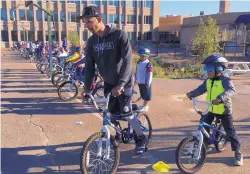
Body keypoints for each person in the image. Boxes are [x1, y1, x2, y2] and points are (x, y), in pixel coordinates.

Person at [79, 5, 148, 155]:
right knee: (110, 113)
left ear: (98, 19)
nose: (86, 25)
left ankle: (141, 137)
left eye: (89, 21)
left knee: (126, 112)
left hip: (125, 81)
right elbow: (90, 67)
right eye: (84, 22)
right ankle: (116, 134)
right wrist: (86, 89)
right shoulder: (91, 42)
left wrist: (122, 84)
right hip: (109, 82)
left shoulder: (118, 34)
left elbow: (128, 60)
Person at [186, 54, 243, 166]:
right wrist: (191, 94)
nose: (207, 71)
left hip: (224, 110)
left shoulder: (225, 80)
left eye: (210, 69)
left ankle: (238, 152)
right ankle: (205, 144)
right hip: (211, 108)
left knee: (230, 132)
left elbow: (231, 90)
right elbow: (200, 89)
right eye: (206, 69)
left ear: (219, 69)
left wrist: (220, 98)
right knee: (205, 125)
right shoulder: (208, 81)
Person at [135, 47, 153, 112]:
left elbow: (149, 74)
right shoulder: (138, 63)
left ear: (147, 57)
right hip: (140, 81)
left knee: (147, 94)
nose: (141, 57)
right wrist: (136, 79)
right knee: (142, 93)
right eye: (140, 56)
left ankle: (146, 106)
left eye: (143, 56)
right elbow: (136, 71)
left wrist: (148, 82)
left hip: (145, 82)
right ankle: (143, 105)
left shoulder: (148, 64)